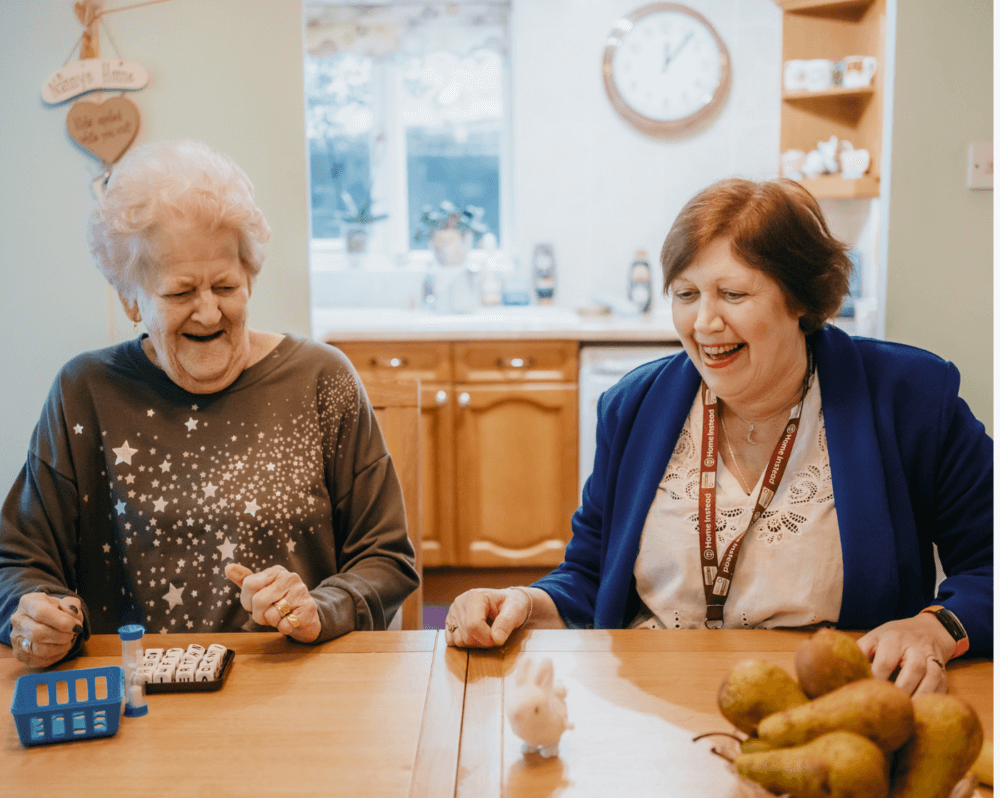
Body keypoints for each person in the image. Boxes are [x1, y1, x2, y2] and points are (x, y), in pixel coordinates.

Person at [445, 178, 992, 696]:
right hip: (647, 710)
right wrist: (518, 600)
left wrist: (936, 627)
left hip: (831, 709)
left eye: (732, 293)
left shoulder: (909, 399)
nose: (704, 323)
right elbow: (589, 577)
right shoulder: (633, 407)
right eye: (686, 294)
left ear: (799, 299)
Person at [0, 139, 418, 668]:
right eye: (179, 293)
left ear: (251, 277)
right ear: (131, 298)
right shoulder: (85, 392)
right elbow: (18, 560)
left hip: (301, 690)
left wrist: (321, 607)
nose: (207, 312)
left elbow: (387, 558)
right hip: (136, 704)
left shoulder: (322, 379)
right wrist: (33, 612)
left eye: (226, 285)